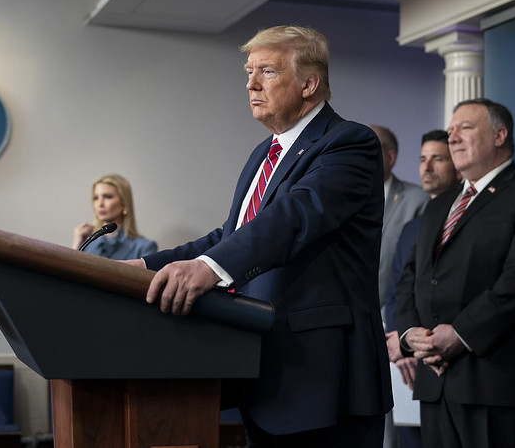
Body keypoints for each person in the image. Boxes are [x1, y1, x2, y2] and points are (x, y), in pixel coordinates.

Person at [128, 25, 392, 447]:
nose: (250, 83)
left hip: (323, 377)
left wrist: (209, 269)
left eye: (266, 71)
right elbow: (231, 233)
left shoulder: (349, 142)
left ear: (309, 84)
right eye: (249, 71)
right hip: (263, 370)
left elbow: (294, 216)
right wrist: (144, 266)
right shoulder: (264, 153)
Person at [395, 98, 515, 448]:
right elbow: (411, 275)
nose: (452, 137)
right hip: (435, 382)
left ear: (500, 135)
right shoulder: (439, 203)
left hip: (494, 384)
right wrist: (412, 335)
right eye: (451, 130)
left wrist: (458, 334)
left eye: (465, 128)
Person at [385, 129, 460, 448]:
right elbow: (396, 286)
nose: (427, 167)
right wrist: (402, 340)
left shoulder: (468, 217)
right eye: (422, 159)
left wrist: (425, 345)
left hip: (449, 357)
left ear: (457, 163)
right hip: (408, 361)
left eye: (438, 159)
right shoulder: (412, 227)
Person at [368, 125, 428, 448]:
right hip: (352, 326)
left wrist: (396, 329)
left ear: (389, 157)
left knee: (399, 427)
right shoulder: (343, 197)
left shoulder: (417, 200)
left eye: (370, 149)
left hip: (393, 325)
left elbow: (409, 274)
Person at [71, 174, 157, 259]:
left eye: (107, 197)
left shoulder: (144, 247)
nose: (100, 204)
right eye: (96, 198)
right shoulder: (87, 243)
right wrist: (76, 246)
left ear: (124, 203)